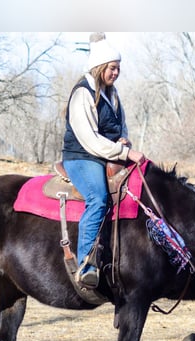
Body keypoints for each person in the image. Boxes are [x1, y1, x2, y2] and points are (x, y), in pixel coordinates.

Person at [62, 32, 145, 289]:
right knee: (98, 198)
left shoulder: (113, 93)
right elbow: (90, 140)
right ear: (99, 67)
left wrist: (124, 140)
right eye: (112, 68)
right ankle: (86, 263)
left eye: (118, 68)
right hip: (83, 157)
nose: (116, 72)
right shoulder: (82, 94)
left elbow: (122, 126)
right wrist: (126, 153)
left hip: (109, 154)